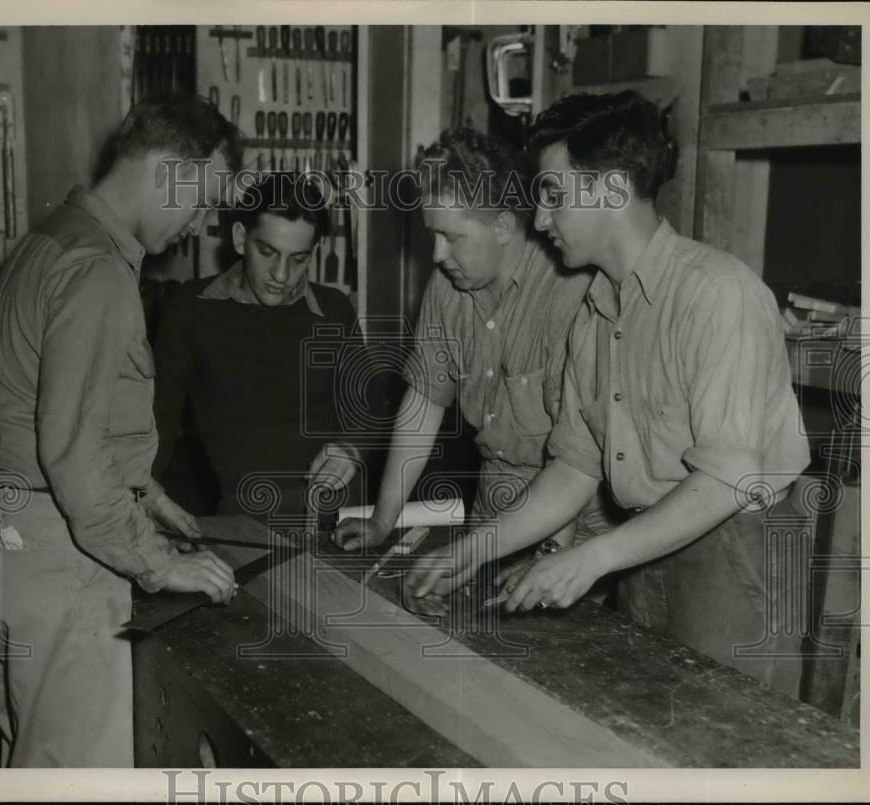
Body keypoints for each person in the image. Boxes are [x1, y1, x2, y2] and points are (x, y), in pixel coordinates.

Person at [409, 91, 812, 695]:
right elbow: (574, 464)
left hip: (733, 554)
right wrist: (472, 550)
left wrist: (590, 559)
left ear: (612, 190)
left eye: (553, 194)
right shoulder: (598, 310)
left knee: (725, 749)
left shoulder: (717, 294)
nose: (541, 221)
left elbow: (728, 477)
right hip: (643, 549)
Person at [0, 95, 242, 767]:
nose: (202, 225)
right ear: (170, 170)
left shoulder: (52, 237)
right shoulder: (98, 271)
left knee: (32, 763)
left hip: (7, 545)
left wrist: (145, 492)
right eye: (202, 201)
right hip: (63, 562)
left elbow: (47, 412)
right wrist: (159, 563)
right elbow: (73, 452)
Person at [332, 127, 600, 554]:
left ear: (503, 227)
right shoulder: (445, 288)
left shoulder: (567, 291)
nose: (437, 255)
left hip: (577, 518)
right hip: (494, 502)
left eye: (452, 237)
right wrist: (383, 521)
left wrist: (550, 562)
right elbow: (422, 407)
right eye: (432, 235)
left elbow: (573, 461)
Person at [152, 172, 366, 518]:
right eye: (267, 252)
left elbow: (368, 407)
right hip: (245, 519)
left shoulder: (334, 309)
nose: (281, 275)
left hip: (338, 516)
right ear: (240, 238)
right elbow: (157, 421)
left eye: (298, 259)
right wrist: (143, 504)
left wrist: (350, 448)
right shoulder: (190, 310)